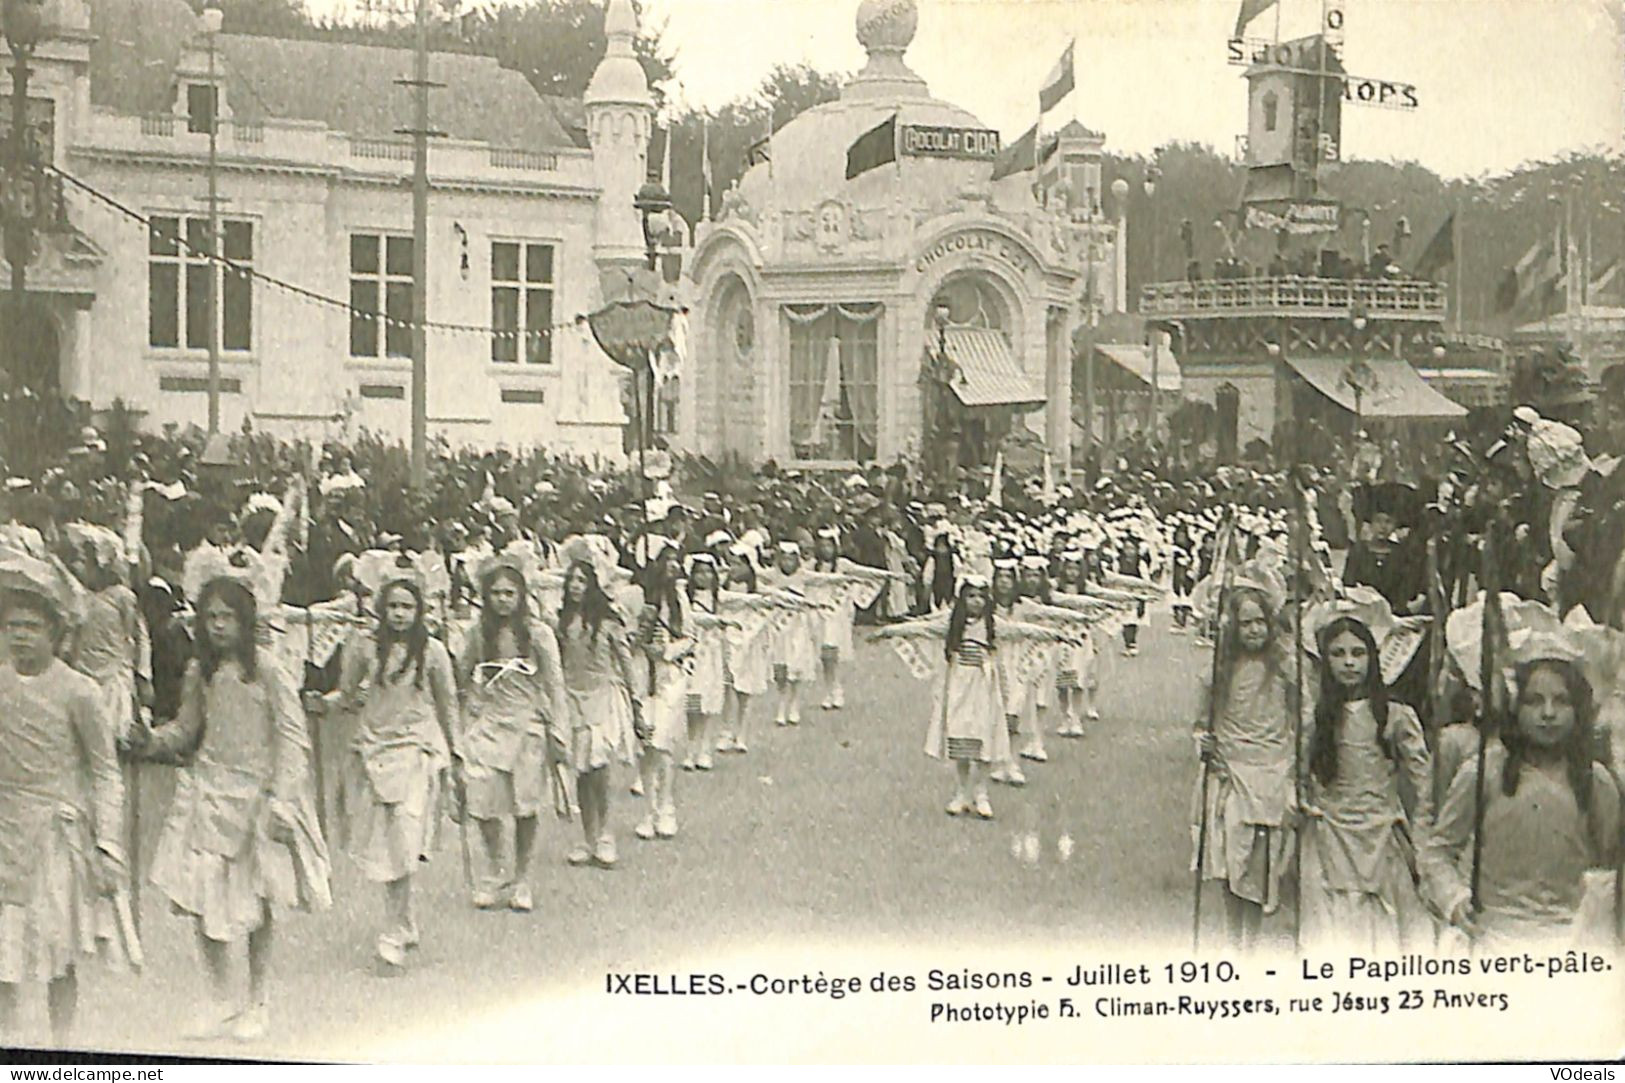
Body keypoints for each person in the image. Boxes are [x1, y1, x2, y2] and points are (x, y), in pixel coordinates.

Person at [140, 573, 331, 1042]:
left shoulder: (268, 670)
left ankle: (257, 998)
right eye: (210, 617)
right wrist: (149, 739)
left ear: (246, 621)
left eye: (227, 617)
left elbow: (292, 738)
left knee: (257, 902)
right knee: (203, 898)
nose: (218, 626)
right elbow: (186, 730)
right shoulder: (198, 673)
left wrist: (283, 798)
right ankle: (220, 996)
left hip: (258, 796)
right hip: (209, 790)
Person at [1426, 631, 1621, 948]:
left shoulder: (1594, 781)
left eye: (1561, 701)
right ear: (1515, 708)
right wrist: (1455, 899)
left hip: (1572, 940)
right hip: (1496, 938)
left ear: (1578, 710)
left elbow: (1611, 865)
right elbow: (1438, 851)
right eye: (1534, 701)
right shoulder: (1483, 773)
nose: (1548, 713)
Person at [0, 562, 126, 1046]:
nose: (21, 637)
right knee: (5, 959)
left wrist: (108, 843)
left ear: (55, 631)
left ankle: (62, 1051)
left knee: (57, 955)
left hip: (57, 837)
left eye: (31, 627)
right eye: (12, 627)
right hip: (7, 833)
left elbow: (105, 771)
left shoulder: (80, 691)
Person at [1297, 595, 1435, 952]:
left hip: (1380, 833)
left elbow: (1423, 782)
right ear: (1325, 661)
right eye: (1338, 654)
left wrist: (1425, 835)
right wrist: (1303, 805)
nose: (1348, 663)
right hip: (1331, 834)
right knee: (1334, 928)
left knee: (1387, 921)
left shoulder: (1395, 715)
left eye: (1358, 654)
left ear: (1373, 659)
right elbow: (1297, 774)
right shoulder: (1316, 717)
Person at [337, 574, 456, 969]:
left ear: (419, 611)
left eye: (407, 607)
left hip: (417, 749)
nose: (400, 614)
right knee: (388, 841)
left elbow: (447, 702)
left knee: (404, 835)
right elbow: (347, 691)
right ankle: (403, 921)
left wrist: (455, 753)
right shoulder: (366, 647)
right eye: (393, 607)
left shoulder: (434, 651)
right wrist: (328, 700)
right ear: (381, 609)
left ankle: (393, 929)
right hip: (375, 748)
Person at [454, 554, 565, 911]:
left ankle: (523, 878)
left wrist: (559, 730)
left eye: (509, 593)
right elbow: (459, 677)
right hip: (488, 724)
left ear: (521, 595)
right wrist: (466, 710)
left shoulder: (538, 633)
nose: (503, 599)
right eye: (496, 593)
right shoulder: (476, 634)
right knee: (483, 804)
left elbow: (555, 684)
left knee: (525, 807)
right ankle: (496, 868)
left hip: (528, 725)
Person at [1191, 582, 1296, 949]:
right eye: (1245, 623)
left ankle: (1250, 942)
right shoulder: (1218, 670)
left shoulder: (1285, 667)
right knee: (1229, 860)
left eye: (1260, 622)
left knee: (1258, 866)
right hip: (1229, 772)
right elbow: (1202, 720)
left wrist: (1295, 759)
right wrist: (1203, 742)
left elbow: (1304, 714)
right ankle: (1234, 938)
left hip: (1271, 772)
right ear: (1231, 628)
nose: (1254, 630)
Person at [554, 559, 639, 868]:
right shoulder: (561, 623)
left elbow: (626, 661)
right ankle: (587, 837)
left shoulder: (607, 622)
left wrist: (636, 702)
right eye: (571, 580)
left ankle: (605, 834)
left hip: (601, 698)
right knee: (582, 771)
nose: (575, 585)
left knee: (600, 768)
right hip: (571, 698)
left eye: (581, 580)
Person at [632, 544, 694, 841]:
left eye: (676, 561)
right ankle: (649, 810)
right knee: (646, 746)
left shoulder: (680, 599)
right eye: (666, 561)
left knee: (664, 744)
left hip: (670, 677)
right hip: (644, 676)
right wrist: (641, 645)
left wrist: (666, 651)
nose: (672, 567)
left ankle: (667, 806)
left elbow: (690, 638)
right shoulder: (639, 600)